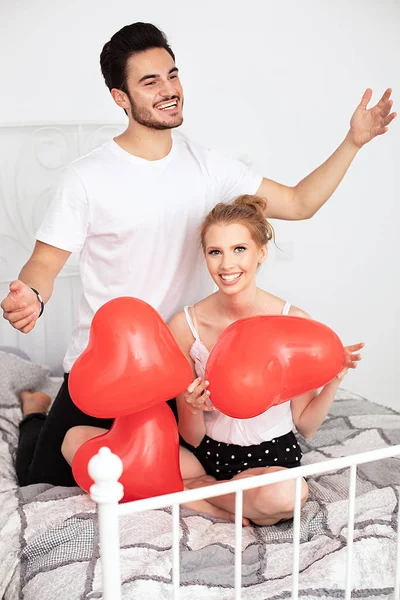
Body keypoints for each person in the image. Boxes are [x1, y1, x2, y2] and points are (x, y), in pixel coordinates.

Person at [0, 22, 392, 489]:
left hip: (182, 368)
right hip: (108, 364)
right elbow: (44, 265)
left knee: (172, 472)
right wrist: (32, 297)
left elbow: (300, 203)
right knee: (41, 479)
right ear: (119, 98)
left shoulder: (208, 167)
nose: (169, 90)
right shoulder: (87, 177)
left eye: (172, 75)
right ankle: (35, 411)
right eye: (150, 82)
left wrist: (353, 142)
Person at [60, 194, 363, 525]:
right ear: (205, 256)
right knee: (74, 441)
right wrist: (192, 407)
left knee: (287, 494)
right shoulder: (185, 325)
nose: (227, 264)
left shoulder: (294, 321)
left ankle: (200, 493)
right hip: (206, 456)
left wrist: (335, 379)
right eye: (215, 252)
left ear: (261, 252)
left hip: (270, 460)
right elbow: (191, 437)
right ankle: (214, 496)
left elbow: (306, 423)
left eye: (239, 249)